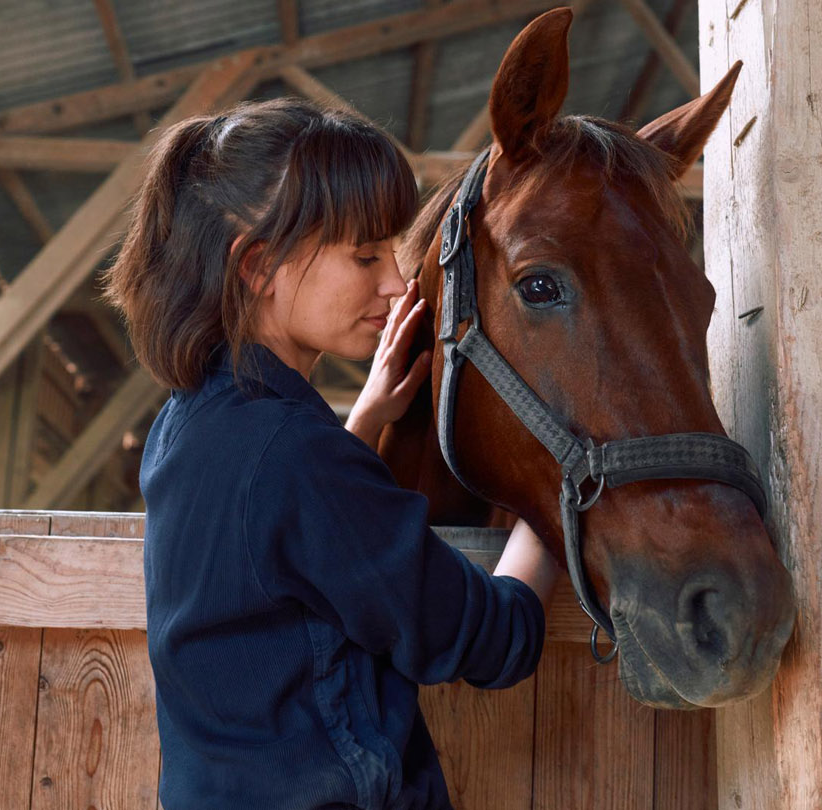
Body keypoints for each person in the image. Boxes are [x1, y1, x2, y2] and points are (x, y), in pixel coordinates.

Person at [103, 96, 560, 810]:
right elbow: (493, 640)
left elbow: (284, 554)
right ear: (258, 265)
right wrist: (558, 493)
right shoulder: (294, 456)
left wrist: (366, 421)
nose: (396, 282)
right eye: (365, 254)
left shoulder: (187, 424)